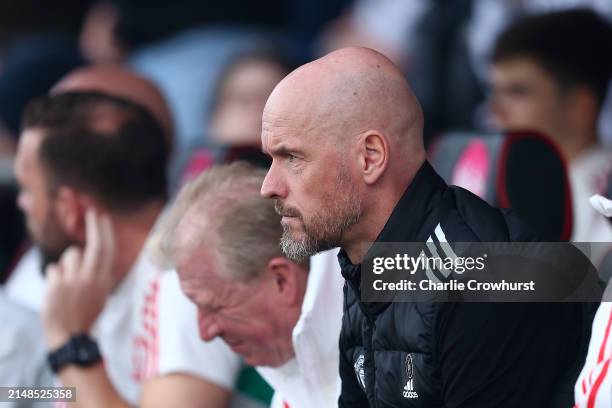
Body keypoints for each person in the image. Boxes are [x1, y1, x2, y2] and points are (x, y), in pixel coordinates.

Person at [260, 46, 590, 407]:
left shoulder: (484, 281)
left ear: (370, 157)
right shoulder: (366, 261)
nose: (269, 186)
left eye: (292, 157)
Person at [14, 91, 241, 407]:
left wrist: (68, 343)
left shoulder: (184, 276)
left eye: (27, 188)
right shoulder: (90, 280)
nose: (21, 203)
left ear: (70, 209)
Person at [156, 162, 344, 408]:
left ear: (282, 280)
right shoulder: (288, 380)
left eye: (215, 307)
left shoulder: (389, 295)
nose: (205, 333)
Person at [489, 8, 612, 244]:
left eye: (518, 92)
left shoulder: (602, 199)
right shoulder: (516, 188)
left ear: (580, 106)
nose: (496, 110)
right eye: (494, 92)